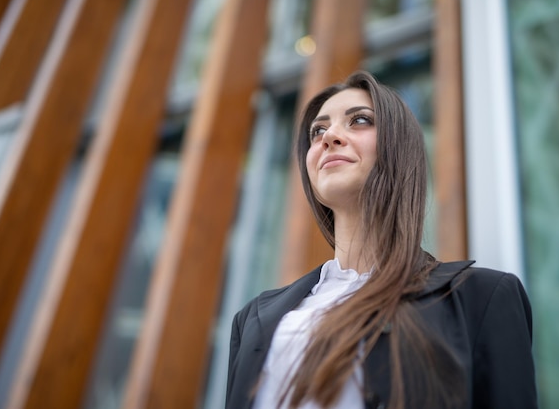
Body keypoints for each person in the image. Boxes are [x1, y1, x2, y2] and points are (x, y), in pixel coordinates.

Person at [225, 71, 537, 409]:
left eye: (359, 120)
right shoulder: (253, 318)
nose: (329, 136)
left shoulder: (482, 299)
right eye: (318, 130)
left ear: (398, 147)